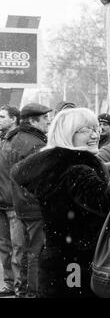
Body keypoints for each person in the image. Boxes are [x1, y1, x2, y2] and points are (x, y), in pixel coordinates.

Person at [10, 108, 110, 298]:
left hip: (58, 258)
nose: (94, 135)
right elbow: (107, 201)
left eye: (96, 128)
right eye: (86, 130)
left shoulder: (55, 163)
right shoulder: (78, 168)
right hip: (78, 262)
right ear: (68, 133)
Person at [0, 103, 51, 298]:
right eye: (44, 118)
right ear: (32, 120)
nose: (48, 121)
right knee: (35, 252)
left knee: (23, 251)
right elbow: (39, 178)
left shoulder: (12, 139)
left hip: (20, 204)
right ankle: (32, 292)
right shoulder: (34, 143)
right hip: (33, 205)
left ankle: (22, 290)